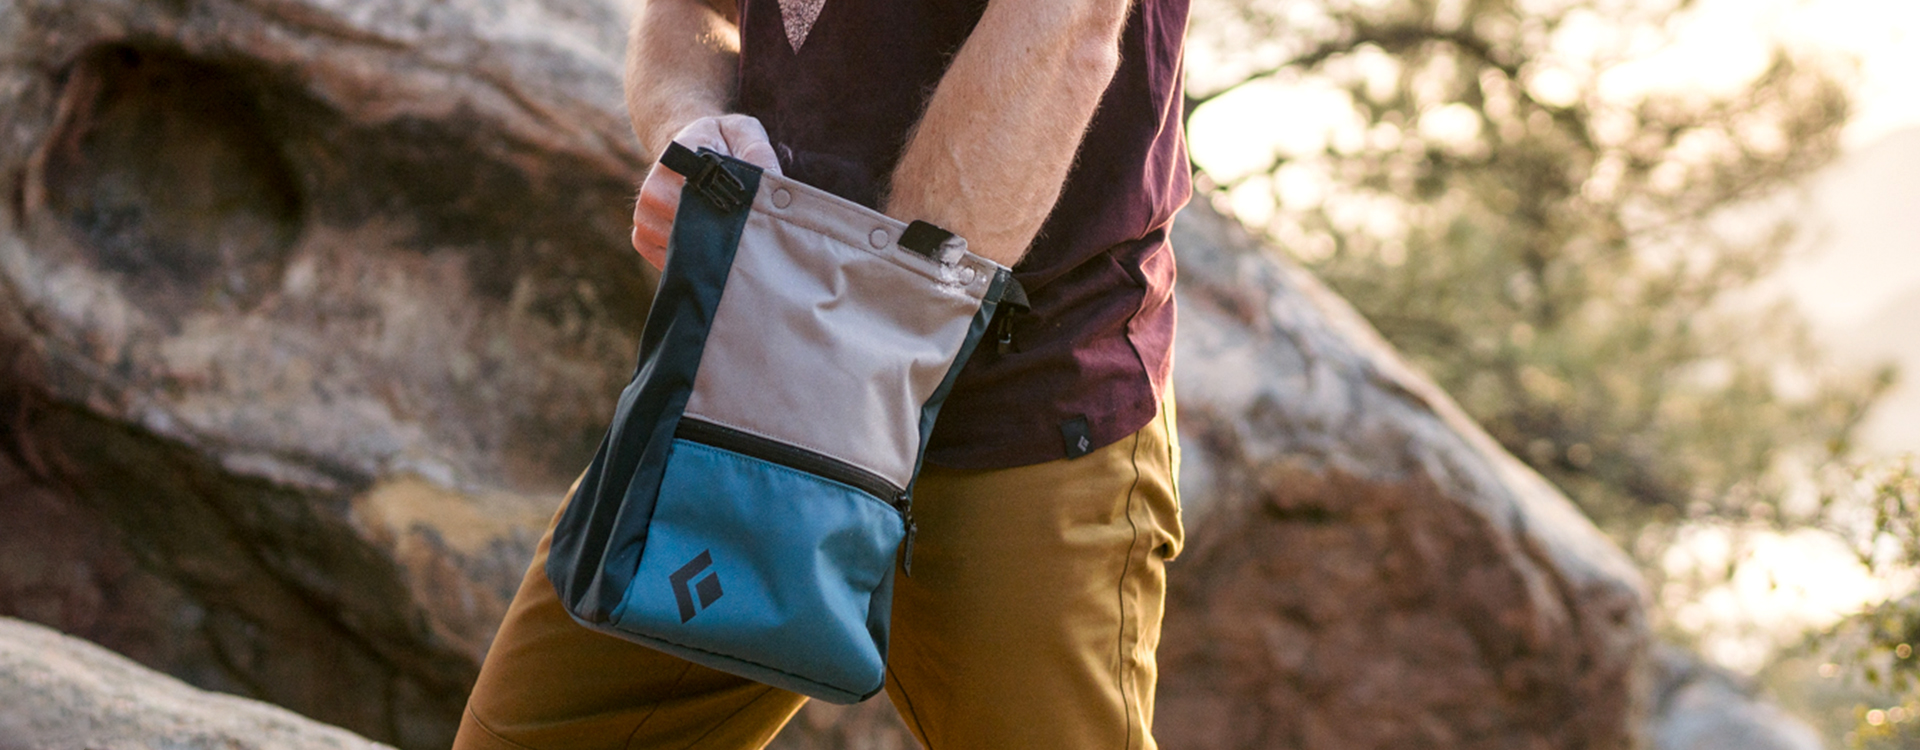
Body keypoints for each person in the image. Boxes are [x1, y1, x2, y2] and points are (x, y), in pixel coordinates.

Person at [453, 0, 1188, 745]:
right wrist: (689, 127)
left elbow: (1064, 34)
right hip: (753, 387)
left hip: (1023, 416)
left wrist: (861, 329)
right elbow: (682, 12)